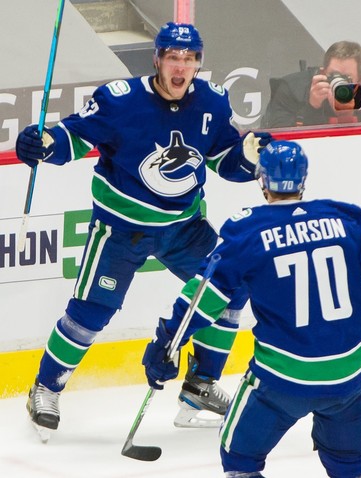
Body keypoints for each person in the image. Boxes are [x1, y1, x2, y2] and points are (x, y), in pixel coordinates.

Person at [15, 21, 273, 437]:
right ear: (157, 59)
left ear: (197, 64)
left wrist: (247, 158)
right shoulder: (121, 101)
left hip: (184, 227)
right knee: (91, 312)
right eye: (173, 57)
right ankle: (45, 388)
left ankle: (200, 385)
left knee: (228, 288)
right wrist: (44, 143)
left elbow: (222, 160)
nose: (181, 67)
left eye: (189, 60)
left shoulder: (213, 101)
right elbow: (75, 138)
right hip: (121, 229)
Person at [143, 139, 361, 478]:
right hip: (351, 376)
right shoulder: (348, 219)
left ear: (262, 181)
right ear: (303, 179)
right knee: (351, 465)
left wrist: (167, 340)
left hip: (284, 380)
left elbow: (205, 298)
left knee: (239, 458)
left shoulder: (247, 230)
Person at [261, 41, 361, 128]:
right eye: (334, 75)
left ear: (360, 81)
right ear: (322, 72)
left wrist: (346, 115)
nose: (340, 83)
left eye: (347, 78)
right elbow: (277, 136)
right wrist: (312, 107)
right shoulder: (292, 88)